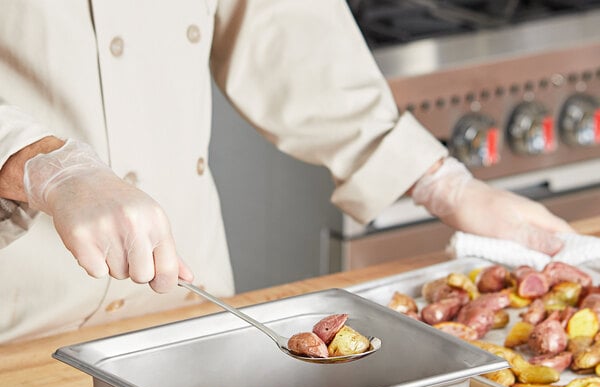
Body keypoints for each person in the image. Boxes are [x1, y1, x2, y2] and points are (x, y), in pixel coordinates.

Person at [0, 1, 573, 343]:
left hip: (184, 310)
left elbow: (282, 24)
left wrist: (439, 181)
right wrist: (37, 161)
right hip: (18, 321)